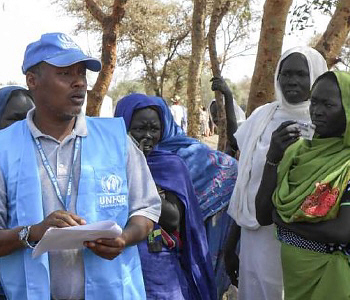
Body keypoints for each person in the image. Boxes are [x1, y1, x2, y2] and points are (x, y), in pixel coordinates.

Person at [0, 32, 161, 300]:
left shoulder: (115, 138)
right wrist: (34, 232)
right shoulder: (4, 147)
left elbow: (146, 208)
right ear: (32, 81)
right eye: (65, 73)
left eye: (81, 74)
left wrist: (125, 237)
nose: (79, 83)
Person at [225, 46, 328, 300]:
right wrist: (231, 245)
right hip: (254, 236)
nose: (292, 81)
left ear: (316, 76)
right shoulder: (262, 116)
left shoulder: (326, 122)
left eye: (301, 74)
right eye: (286, 73)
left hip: (302, 240)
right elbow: (246, 185)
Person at [124, 94, 238, 299]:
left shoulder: (171, 165)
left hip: (159, 265)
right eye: (139, 129)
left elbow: (172, 220)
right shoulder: (110, 161)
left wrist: (140, 173)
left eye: (154, 129)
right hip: (122, 260)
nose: (147, 136)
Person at [256, 71, 350, 299]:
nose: (317, 111)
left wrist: (285, 223)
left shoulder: (346, 163)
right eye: (314, 102)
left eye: (328, 104)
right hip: (295, 278)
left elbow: (342, 232)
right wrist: (273, 158)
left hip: (333, 278)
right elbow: (263, 215)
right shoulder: (297, 152)